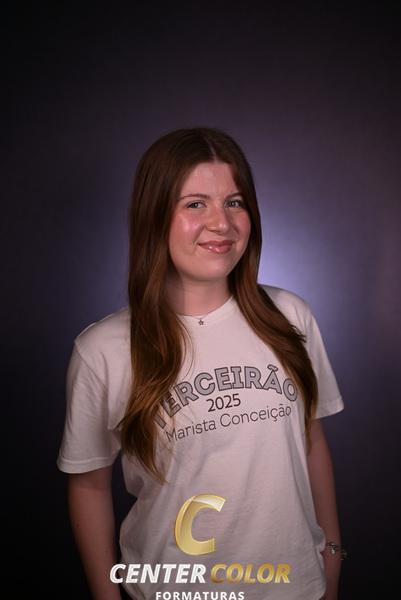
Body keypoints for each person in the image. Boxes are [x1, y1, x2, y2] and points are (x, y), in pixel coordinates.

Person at [57, 126, 346, 600]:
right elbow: (88, 486)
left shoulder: (290, 316)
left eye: (234, 202)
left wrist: (331, 557)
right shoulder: (103, 349)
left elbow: (312, 440)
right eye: (195, 204)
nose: (222, 223)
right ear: (154, 216)